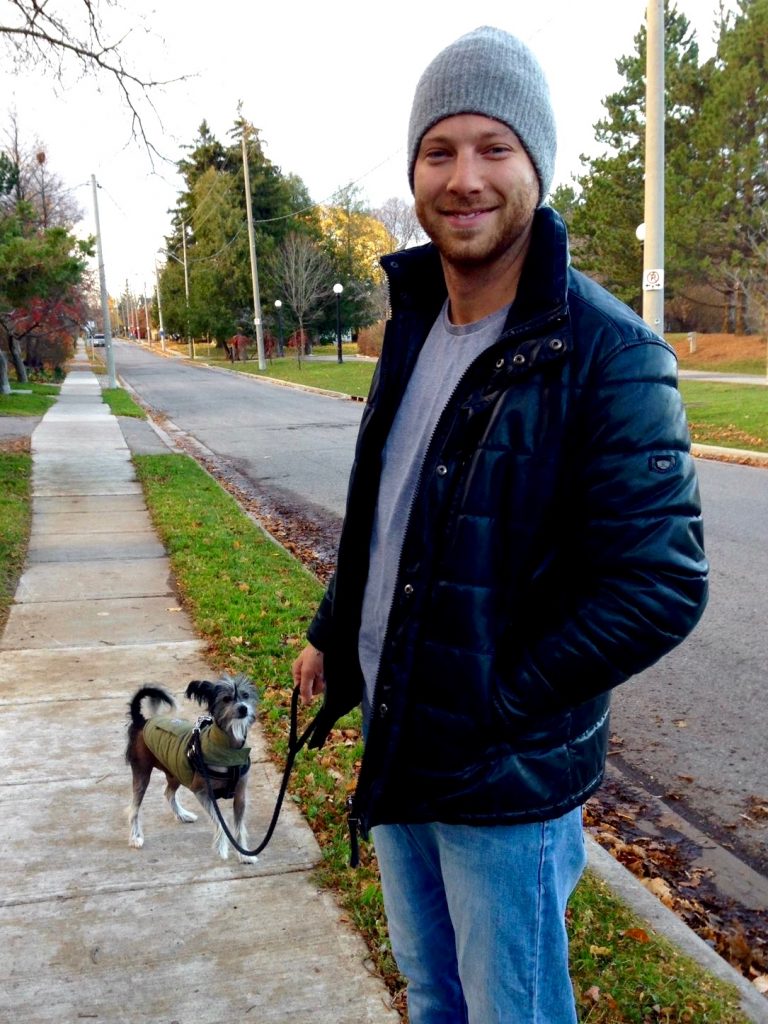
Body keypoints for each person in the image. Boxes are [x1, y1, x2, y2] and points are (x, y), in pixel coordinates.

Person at [293, 25, 708, 1024]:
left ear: (537, 166)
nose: (464, 177)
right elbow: (398, 514)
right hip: (405, 744)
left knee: (510, 1009)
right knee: (436, 996)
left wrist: (497, 697)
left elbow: (661, 584)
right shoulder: (415, 327)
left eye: (494, 148)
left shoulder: (611, 354)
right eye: (440, 151)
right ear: (415, 171)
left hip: (499, 777)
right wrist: (329, 629)